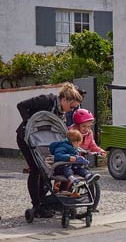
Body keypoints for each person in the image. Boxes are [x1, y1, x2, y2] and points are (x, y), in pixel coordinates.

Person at [16, 82, 83, 217]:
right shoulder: (46, 100)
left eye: (74, 108)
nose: (71, 110)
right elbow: (21, 105)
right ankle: (37, 205)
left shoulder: (61, 113)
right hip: (27, 137)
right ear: (64, 99)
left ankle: (46, 202)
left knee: (49, 169)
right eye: (71, 106)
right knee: (36, 169)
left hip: (46, 141)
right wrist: (30, 123)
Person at [48, 130, 100, 196]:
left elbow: (81, 152)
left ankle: (88, 176)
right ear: (75, 142)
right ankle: (73, 181)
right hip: (61, 168)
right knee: (67, 169)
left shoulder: (73, 148)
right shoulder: (62, 146)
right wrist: (70, 157)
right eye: (78, 144)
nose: (78, 146)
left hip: (71, 166)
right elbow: (58, 156)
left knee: (80, 169)